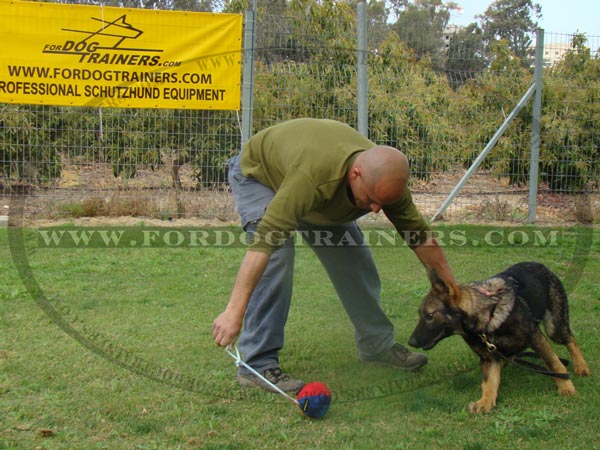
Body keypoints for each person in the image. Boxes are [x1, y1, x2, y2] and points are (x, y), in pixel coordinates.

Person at [212, 118, 456, 393]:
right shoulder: (314, 177)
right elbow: (263, 245)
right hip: (260, 176)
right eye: (372, 199)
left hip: (316, 191)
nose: (376, 210)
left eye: (383, 203)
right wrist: (234, 312)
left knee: (355, 260)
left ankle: (376, 346)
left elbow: (421, 238)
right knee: (278, 256)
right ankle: (257, 364)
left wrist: (453, 292)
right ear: (356, 175)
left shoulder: (386, 183)